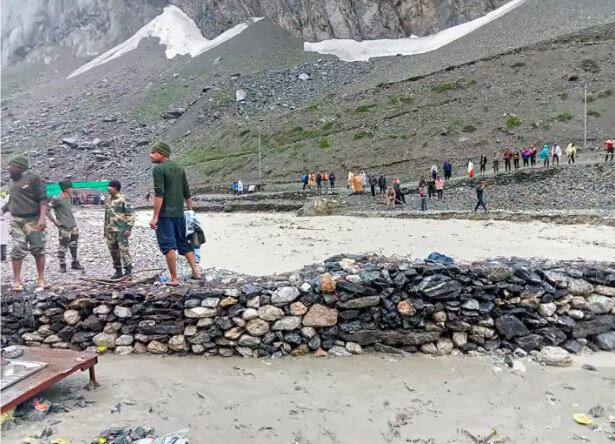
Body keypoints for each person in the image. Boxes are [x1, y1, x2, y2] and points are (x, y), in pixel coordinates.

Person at [149, 141, 201, 285]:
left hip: (166, 215)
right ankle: (195, 271)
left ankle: (174, 278)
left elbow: (160, 194)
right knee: (183, 242)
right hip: (179, 213)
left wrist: (155, 217)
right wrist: (190, 209)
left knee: (168, 245)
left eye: (153, 152)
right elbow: (186, 190)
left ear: (162, 153)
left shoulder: (159, 169)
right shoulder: (179, 168)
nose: (150, 155)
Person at [2, 155, 48, 291]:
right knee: (17, 249)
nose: (8, 169)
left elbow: (43, 199)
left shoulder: (33, 178)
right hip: (16, 220)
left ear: (20, 167)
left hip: (33, 220)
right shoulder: (10, 181)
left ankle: (40, 278)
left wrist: (42, 218)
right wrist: (2, 210)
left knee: (38, 249)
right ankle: (16, 280)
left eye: (11, 166)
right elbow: (12, 201)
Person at [47, 179, 83, 273]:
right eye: (70, 187)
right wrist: (54, 220)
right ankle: (62, 264)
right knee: (63, 246)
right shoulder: (57, 198)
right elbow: (47, 209)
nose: (72, 189)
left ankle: (75, 262)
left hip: (73, 225)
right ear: (66, 188)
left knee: (74, 245)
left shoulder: (69, 196)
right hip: (64, 226)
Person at [104, 180, 134, 279]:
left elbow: (130, 215)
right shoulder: (108, 200)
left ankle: (128, 270)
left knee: (124, 250)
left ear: (115, 188)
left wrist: (128, 229)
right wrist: (105, 230)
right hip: (110, 231)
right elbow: (106, 216)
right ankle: (118, 271)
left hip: (121, 230)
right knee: (113, 251)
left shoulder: (124, 199)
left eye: (110, 186)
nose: (108, 188)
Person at [0, 192, 10, 262]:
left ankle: (3, 257)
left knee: (3, 240)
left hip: (5, 222)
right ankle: (3, 258)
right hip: (4, 221)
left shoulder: (7, 201)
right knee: (3, 239)